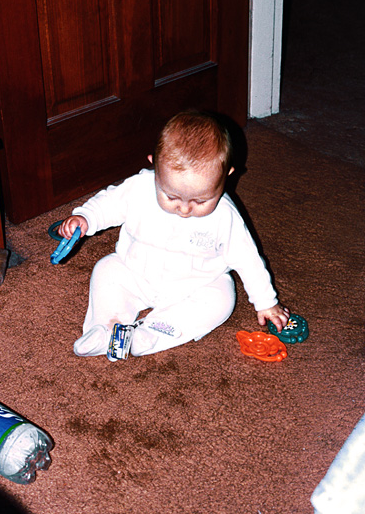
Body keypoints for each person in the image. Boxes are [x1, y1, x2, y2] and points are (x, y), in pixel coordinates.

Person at [58, 110, 289, 359]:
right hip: (136, 273)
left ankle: (150, 334)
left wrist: (266, 301)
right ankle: (104, 327)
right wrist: (86, 218)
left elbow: (248, 259)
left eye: (201, 200)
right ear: (154, 166)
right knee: (107, 270)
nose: (185, 208)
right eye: (171, 197)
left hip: (195, 285)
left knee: (222, 299)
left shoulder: (225, 217)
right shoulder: (139, 188)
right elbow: (108, 203)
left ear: (227, 175)